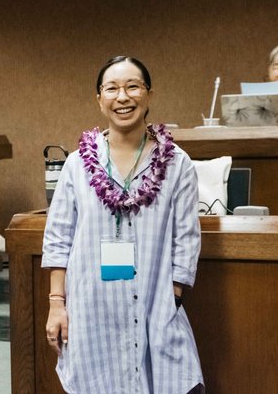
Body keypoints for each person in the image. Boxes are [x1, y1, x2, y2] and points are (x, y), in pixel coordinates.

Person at [42, 56, 205, 393]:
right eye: (112, 88)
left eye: (133, 86)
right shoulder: (77, 165)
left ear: (148, 94)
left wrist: (171, 298)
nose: (123, 97)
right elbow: (58, 237)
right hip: (91, 306)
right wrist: (57, 305)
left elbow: (186, 238)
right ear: (99, 99)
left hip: (154, 301)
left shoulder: (178, 164)